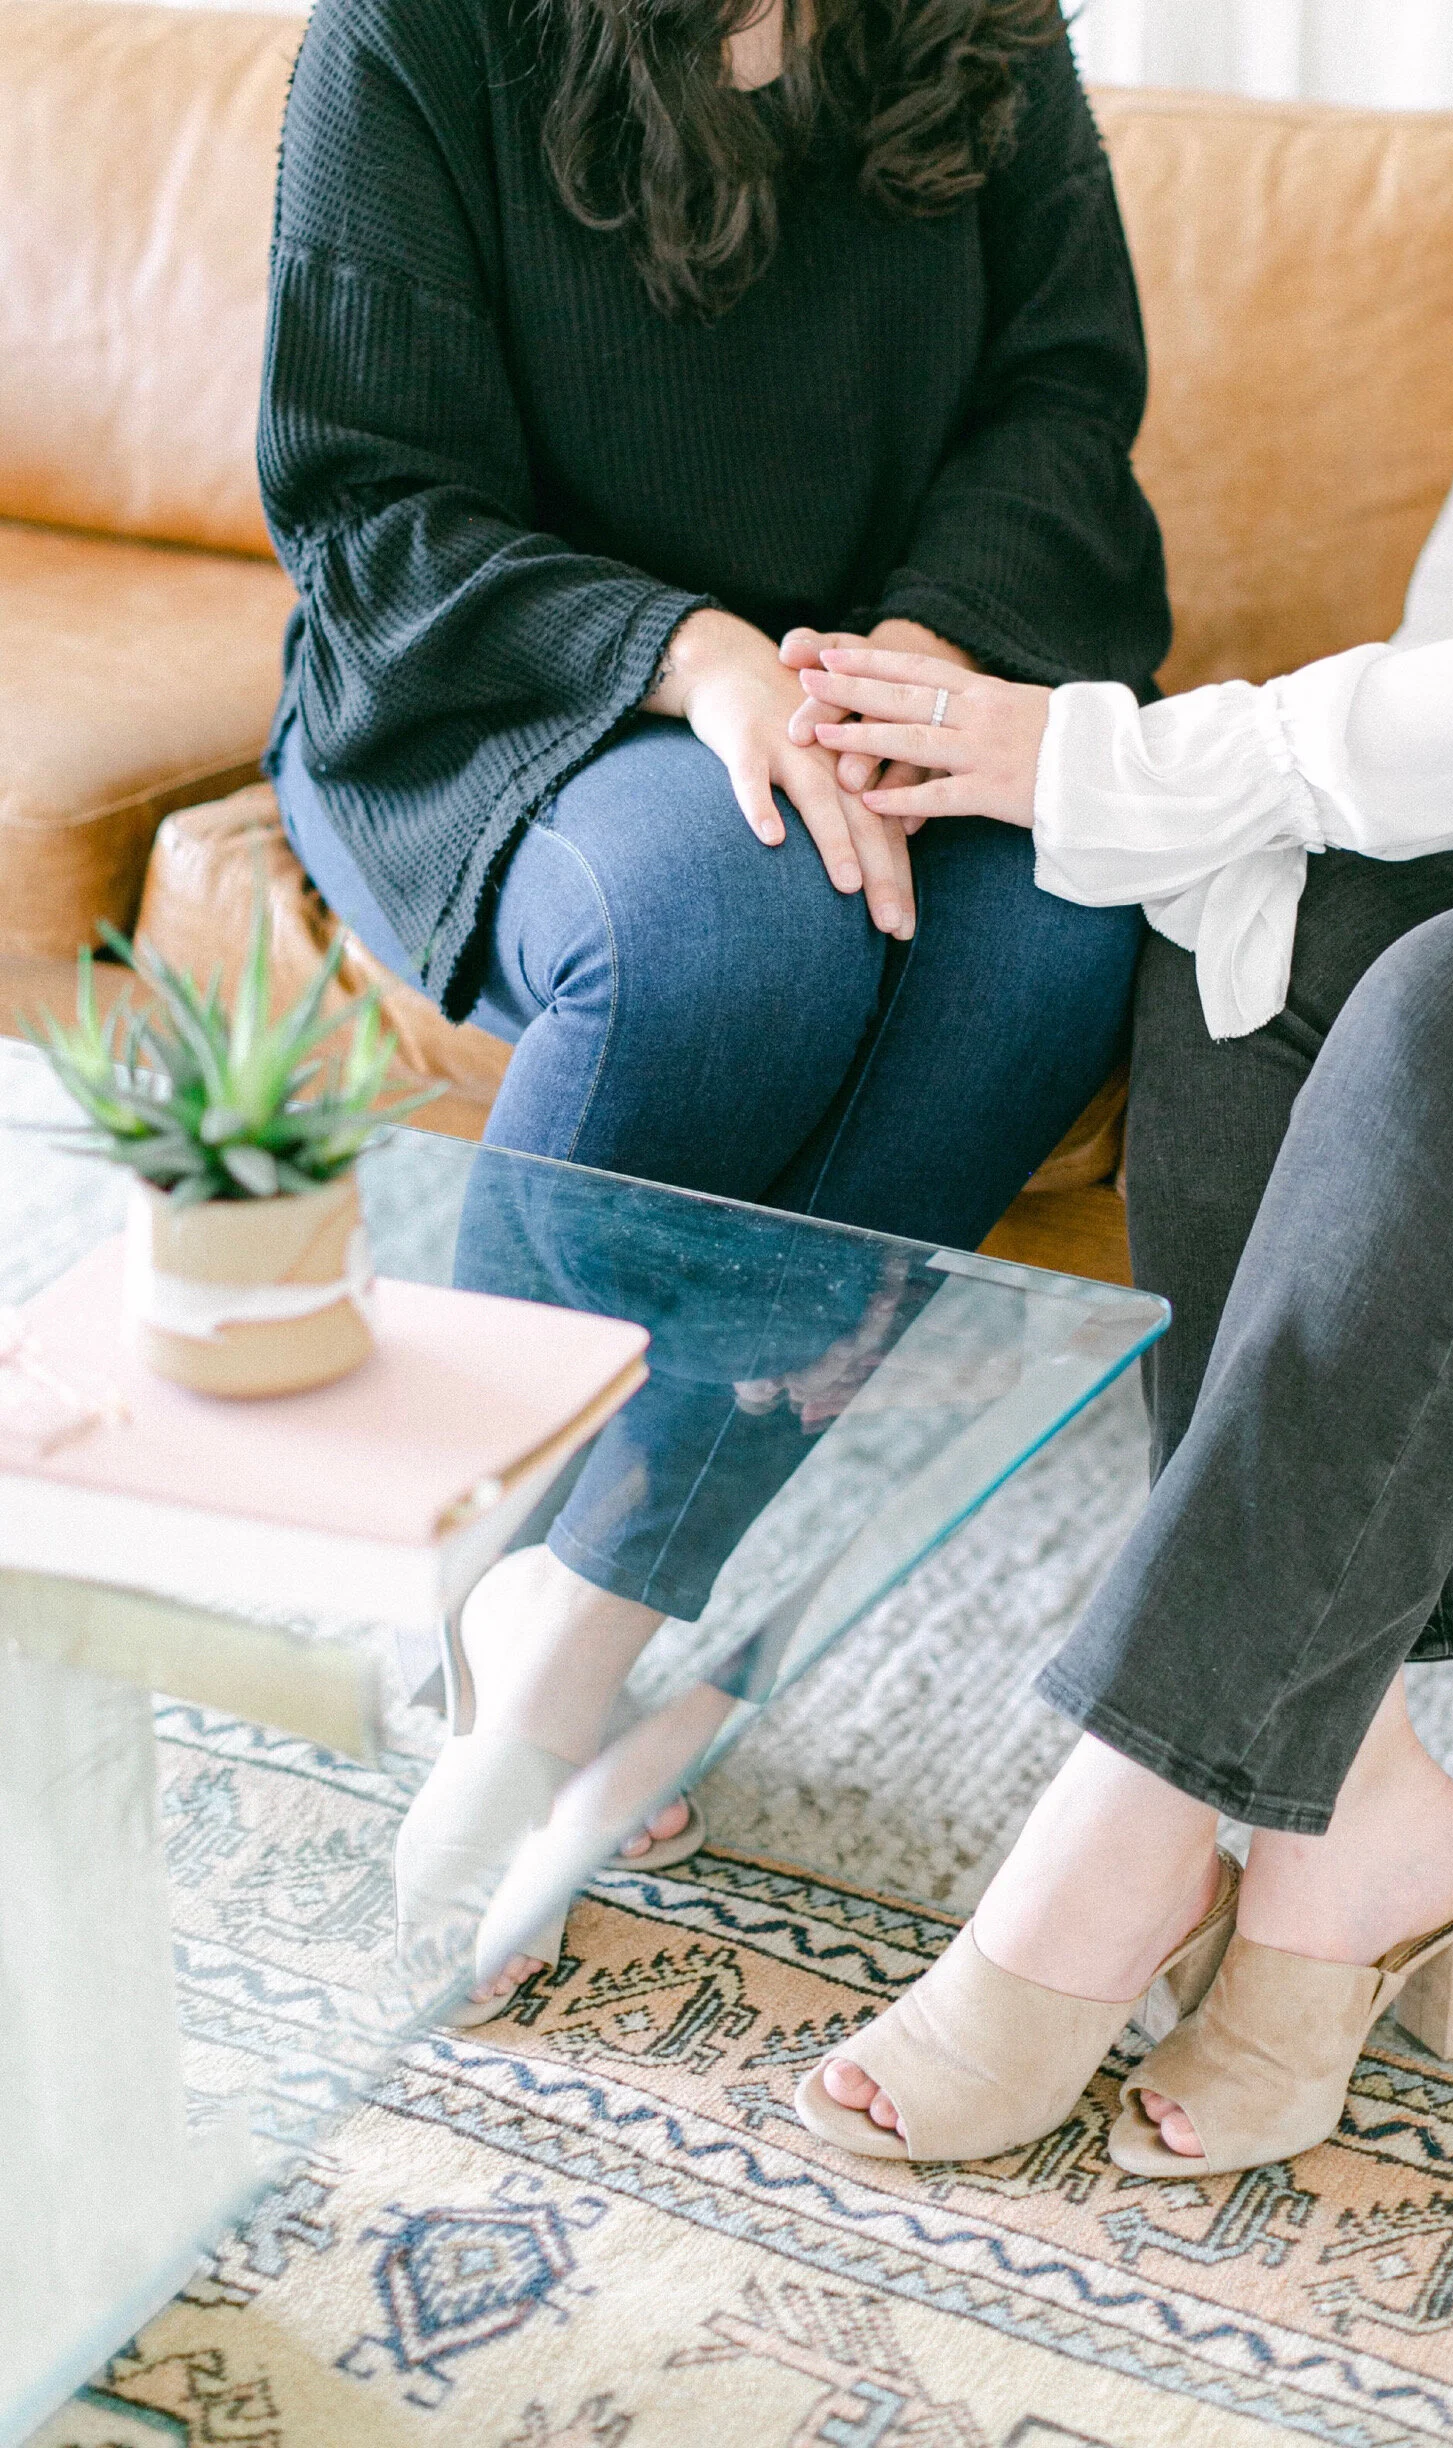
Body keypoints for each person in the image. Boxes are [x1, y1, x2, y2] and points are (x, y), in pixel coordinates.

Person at [788, 0, 1453, 2172]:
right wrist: (1340, 807)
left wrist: (1170, 753)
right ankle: (1344, 1820)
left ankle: (1115, 1833)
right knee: (1243, 917)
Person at [258, 0, 1169, 2008]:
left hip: (905, 672)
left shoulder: (982, 27)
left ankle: (567, 1630)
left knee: (1059, 924)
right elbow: (367, 495)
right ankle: (493, 1571)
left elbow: (1061, 392)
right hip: (521, 688)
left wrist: (912, 661)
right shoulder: (415, 33)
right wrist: (702, 658)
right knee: (730, 925)